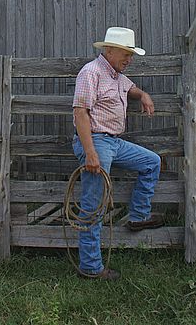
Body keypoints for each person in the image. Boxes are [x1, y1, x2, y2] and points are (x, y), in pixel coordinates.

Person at [72, 26, 164, 280]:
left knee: (151, 162)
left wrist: (143, 94)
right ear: (109, 50)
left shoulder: (116, 75)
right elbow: (80, 112)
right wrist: (91, 153)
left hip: (114, 142)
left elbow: (129, 88)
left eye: (131, 54)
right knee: (94, 205)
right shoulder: (91, 72)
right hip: (96, 142)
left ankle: (138, 216)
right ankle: (91, 267)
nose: (129, 59)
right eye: (125, 53)